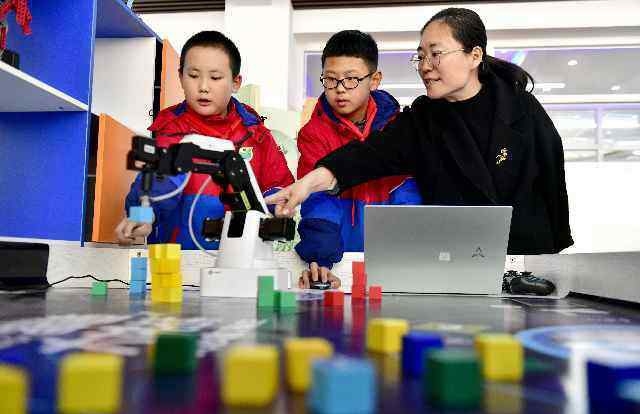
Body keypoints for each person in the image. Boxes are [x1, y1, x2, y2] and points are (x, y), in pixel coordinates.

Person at [267, 8, 573, 255]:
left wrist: (552, 257)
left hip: (525, 257)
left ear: (474, 56)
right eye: (421, 56)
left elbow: (552, 185)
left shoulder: (521, 108)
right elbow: (364, 156)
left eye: (435, 54)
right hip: (457, 261)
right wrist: (307, 184)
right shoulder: (424, 118)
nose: (425, 65)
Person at [116, 31, 294, 249]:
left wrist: (279, 205)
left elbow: (278, 186)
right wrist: (141, 217)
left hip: (241, 257)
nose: (203, 87)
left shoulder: (257, 137)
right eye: (193, 75)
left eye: (215, 78)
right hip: (178, 258)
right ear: (180, 76)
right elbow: (149, 190)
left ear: (236, 82)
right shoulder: (171, 133)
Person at [295, 30, 422, 289]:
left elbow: (408, 194)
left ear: (374, 80)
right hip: (339, 263)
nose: (340, 89)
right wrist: (321, 258)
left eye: (351, 79)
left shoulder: (398, 128)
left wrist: (407, 251)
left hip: (395, 261)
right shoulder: (314, 134)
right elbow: (318, 201)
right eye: (331, 79)